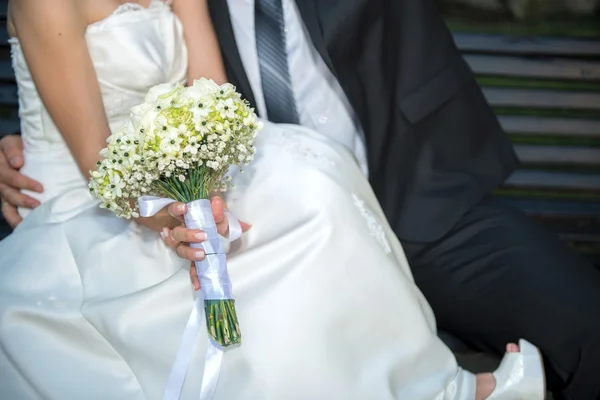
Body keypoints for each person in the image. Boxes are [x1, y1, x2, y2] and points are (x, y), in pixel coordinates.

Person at [0, 0, 547, 399]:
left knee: (311, 174)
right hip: (96, 201)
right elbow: (101, 164)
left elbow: (212, 97)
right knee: (289, 232)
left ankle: (428, 381)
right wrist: (179, 221)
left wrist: (208, 193)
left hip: (183, 165)